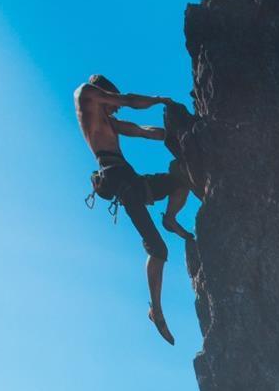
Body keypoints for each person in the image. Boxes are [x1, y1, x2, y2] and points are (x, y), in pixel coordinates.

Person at [75, 75, 194, 344]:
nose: (114, 110)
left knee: (180, 180)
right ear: (103, 95)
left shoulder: (110, 123)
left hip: (131, 181)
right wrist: (159, 99)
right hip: (121, 183)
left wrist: (175, 134)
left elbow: (142, 130)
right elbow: (128, 100)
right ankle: (156, 310)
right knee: (158, 249)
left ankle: (170, 219)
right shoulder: (86, 95)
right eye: (111, 104)